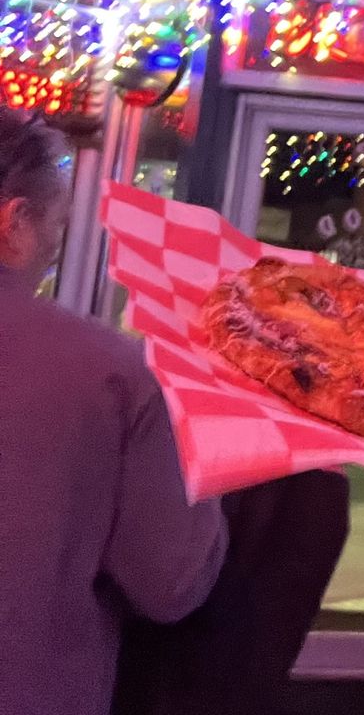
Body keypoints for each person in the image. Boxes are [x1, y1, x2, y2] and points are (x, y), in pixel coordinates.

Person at [0, 108, 227, 714]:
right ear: (15, 222)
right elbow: (170, 582)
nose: (53, 252)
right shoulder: (113, 374)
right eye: (56, 228)